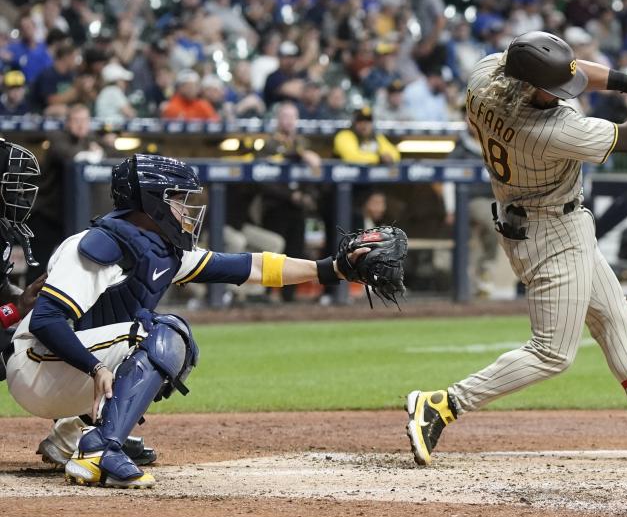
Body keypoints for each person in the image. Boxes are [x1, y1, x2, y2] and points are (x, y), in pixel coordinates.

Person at [406, 31, 627, 466]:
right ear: (528, 85)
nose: (564, 91)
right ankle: (442, 405)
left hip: (547, 222)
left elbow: (571, 70)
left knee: (615, 321)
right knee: (551, 353)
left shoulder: (486, 75)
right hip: (549, 233)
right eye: (552, 87)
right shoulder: (549, 129)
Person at [4, 153, 372, 488]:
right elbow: (46, 322)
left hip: (61, 371)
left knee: (173, 342)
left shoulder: (162, 250)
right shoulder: (99, 244)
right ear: (150, 202)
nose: (185, 209)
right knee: (163, 333)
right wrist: (96, 366)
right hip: (36, 366)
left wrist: (331, 269)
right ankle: (99, 448)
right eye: (176, 199)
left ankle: (74, 433)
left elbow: (252, 266)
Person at [28, 104, 107, 281]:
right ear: (68, 123)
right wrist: (92, 154)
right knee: (38, 267)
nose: (80, 125)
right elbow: (70, 155)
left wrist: (101, 149)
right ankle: (27, 306)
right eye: (76, 120)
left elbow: (109, 152)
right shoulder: (57, 138)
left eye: (84, 121)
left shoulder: (90, 140)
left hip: (71, 218)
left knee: (72, 266)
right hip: (46, 215)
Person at [258, 102, 322, 303]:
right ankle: (267, 294)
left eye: (292, 117)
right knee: (272, 251)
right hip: (275, 206)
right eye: (284, 116)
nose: (288, 121)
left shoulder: (303, 142)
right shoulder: (269, 143)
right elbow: (262, 177)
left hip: (298, 206)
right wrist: (289, 195)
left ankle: (289, 296)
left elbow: (315, 172)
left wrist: (307, 196)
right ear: (278, 119)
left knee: (295, 251)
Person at [0, 140, 48, 382]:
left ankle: (72, 413)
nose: (19, 193)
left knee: (48, 332)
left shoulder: (3, 227)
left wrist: (26, 297)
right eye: (11, 185)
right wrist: (16, 309)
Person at [332, 106, 401, 165]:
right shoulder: (344, 136)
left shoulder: (376, 137)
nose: (364, 125)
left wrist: (390, 158)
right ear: (354, 123)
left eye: (368, 121)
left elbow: (395, 153)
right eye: (360, 121)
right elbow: (352, 157)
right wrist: (379, 159)